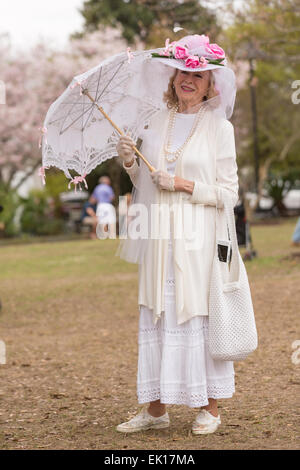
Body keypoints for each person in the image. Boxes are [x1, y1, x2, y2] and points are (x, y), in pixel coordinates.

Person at [115, 34, 239, 435]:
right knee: (158, 311)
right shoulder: (155, 121)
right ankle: (155, 410)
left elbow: (229, 193)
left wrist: (184, 184)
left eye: (198, 75)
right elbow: (148, 182)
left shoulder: (220, 128)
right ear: (172, 78)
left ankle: (210, 408)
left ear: (209, 85)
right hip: (159, 238)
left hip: (198, 239)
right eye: (183, 72)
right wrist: (132, 163)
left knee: (196, 313)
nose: (189, 79)